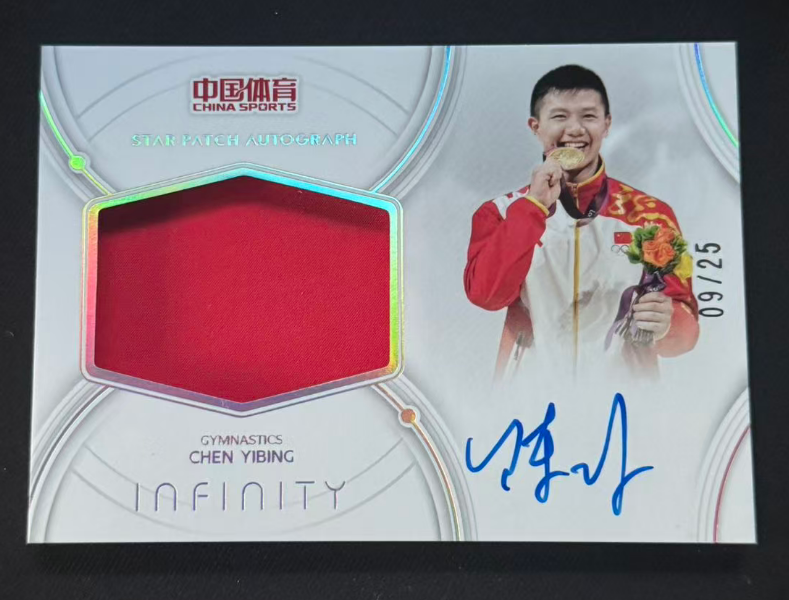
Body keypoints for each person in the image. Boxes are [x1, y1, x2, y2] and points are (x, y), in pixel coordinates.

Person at [463, 65, 699, 381]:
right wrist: (533, 207)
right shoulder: (501, 212)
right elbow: (486, 295)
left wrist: (668, 325)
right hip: (528, 396)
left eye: (588, 116)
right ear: (536, 127)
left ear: (607, 124)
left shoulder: (649, 216)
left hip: (625, 398)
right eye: (559, 116)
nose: (575, 129)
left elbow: (685, 333)